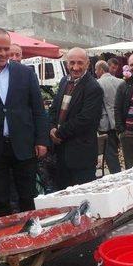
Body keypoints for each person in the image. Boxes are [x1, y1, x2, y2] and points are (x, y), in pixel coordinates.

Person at [0, 27, 49, 217]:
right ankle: (6, 241)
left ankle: (31, 237)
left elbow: (38, 109)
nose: (3, 53)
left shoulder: (24, 73)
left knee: (28, 196)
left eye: (6, 48)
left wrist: (41, 140)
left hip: (24, 145)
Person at [49, 47, 104, 188]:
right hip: (62, 153)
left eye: (80, 63)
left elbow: (85, 119)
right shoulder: (63, 82)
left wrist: (58, 133)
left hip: (81, 156)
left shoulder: (93, 87)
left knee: (83, 199)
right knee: (63, 197)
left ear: (87, 64)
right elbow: (54, 109)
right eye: (72, 63)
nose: (75, 67)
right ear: (67, 64)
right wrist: (51, 128)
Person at [95, 59, 124, 174]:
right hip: (120, 122)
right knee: (119, 150)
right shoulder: (121, 82)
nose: (95, 72)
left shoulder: (98, 83)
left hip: (105, 123)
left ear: (101, 69)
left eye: (96, 70)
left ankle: (116, 175)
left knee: (110, 153)